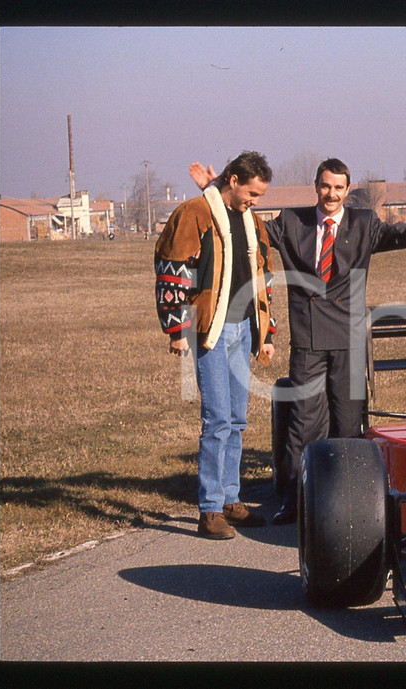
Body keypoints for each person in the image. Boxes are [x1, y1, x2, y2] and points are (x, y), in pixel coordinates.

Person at [190, 158, 406, 523]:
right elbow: (246, 224)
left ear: (347, 190)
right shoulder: (292, 222)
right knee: (303, 426)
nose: (331, 194)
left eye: (339, 188)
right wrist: (215, 191)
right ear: (316, 186)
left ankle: (352, 501)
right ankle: (295, 500)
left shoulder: (364, 223)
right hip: (308, 340)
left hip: (349, 341)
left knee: (347, 424)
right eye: (325, 186)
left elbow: (403, 235)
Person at [156, 151, 277, 539]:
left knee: (237, 421)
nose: (254, 201)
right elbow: (173, 270)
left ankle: (230, 499)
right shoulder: (193, 213)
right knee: (217, 420)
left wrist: (266, 332)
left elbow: (263, 276)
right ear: (234, 180)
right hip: (212, 328)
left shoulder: (250, 219)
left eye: (259, 196)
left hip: (243, 330)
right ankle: (209, 509)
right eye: (252, 193)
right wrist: (177, 330)